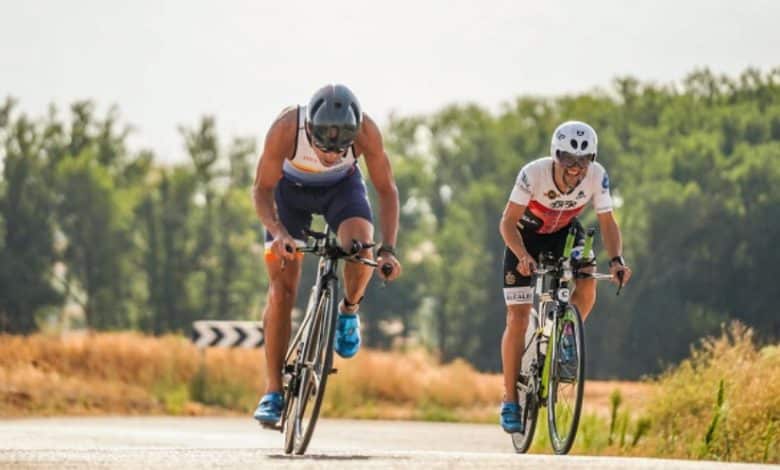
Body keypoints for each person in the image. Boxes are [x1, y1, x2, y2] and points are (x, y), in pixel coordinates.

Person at [251, 84, 402, 425]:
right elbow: (261, 189)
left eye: (339, 150)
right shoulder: (287, 127)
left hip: (341, 190)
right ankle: (273, 391)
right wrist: (279, 233)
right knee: (280, 290)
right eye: (323, 148)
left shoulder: (366, 131)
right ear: (310, 130)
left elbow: (387, 191)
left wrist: (388, 250)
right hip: (287, 195)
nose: (330, 156)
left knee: (361, 244)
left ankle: (348, 311)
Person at [497, 120, 632, 433]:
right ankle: (509, 400)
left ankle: (566, 333)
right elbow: (507, 223)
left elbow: (608, 221)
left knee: (586, 276)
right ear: (555, 156)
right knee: (517, 318)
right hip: (524, 238)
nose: (576, 168)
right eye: (569, 159)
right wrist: (522, 257)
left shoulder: (597, 177)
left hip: (564, 234)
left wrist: (616, 260)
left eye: (584, 160)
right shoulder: (533, 173)